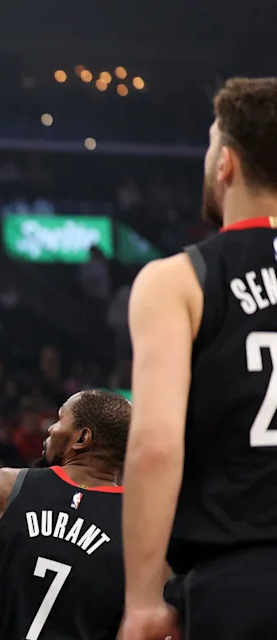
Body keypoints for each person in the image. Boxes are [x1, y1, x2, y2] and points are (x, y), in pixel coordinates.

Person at [121, 77, 277, 640]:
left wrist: (141, 601)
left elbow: (157, 444)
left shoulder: (177, 280)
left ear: (226, 164)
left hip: (238, 580)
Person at [0, 390, 130, 640]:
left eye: (59, 419)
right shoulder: (140, 526)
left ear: (82, 438)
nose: (50, 429)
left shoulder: (5, 487)